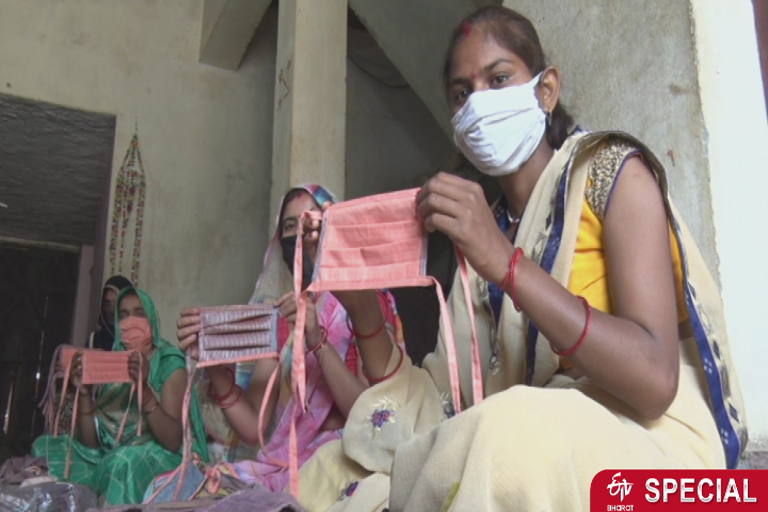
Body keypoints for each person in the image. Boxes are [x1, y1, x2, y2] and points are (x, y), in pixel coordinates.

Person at [293, 6, 747, 511]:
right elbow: (438, 407)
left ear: (546, 90)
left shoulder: (612, 175)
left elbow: (656, 383)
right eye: (462, 93)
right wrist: (361, 308)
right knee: (334, 468)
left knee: (505, 437)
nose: (479, 103)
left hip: (652, 452)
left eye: (500, 77)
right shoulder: (481, 234)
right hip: (531, 432)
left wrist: (508, 265)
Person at [171, 183, 402, 495]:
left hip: (345, 454)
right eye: (290, 226)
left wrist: (317, 340)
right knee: (179, 487)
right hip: (286, 464)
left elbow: (373, 415)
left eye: (311, 221)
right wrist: (213, 365)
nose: (301, 234)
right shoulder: (282, 317)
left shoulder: (364, 302)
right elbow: (253, 429)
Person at [32, 287, 209, 505]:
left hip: (162, 456)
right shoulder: (114, 364)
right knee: (46, 447)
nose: (130, 321)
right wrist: (85, 394)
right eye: (123, 315)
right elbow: (92, 446)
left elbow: (172, 442)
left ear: (152, 318)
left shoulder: (169, 363)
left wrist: (144, 390)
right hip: (113, 454)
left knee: (122, 461)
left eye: (139, 313)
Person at [88, 275, 133, 351]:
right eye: (107, 303)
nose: (110, 310)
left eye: (116, 304)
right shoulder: (94, 340)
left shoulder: (136, 341)